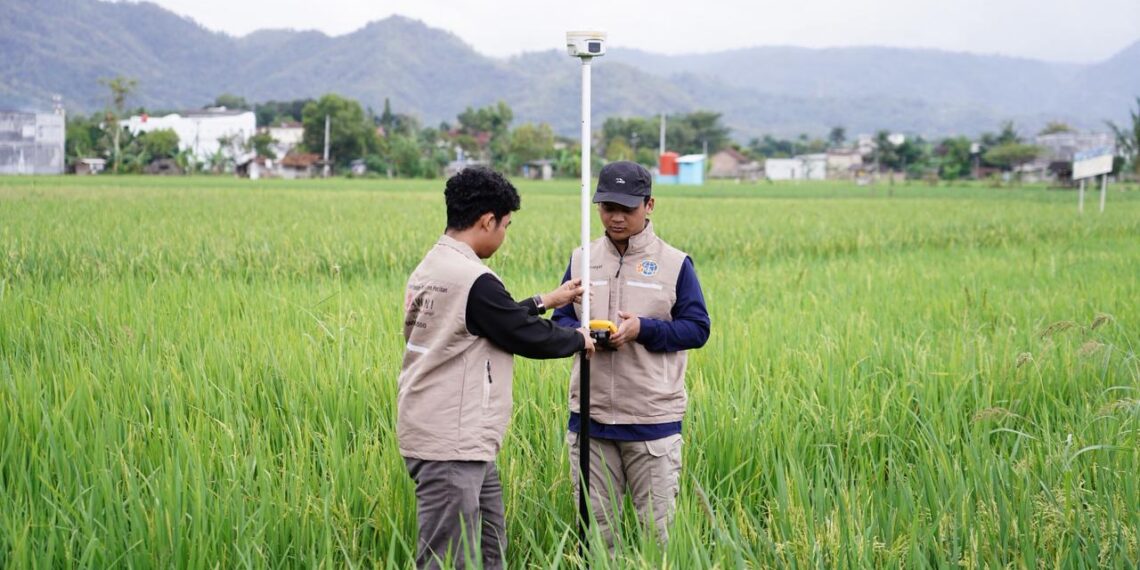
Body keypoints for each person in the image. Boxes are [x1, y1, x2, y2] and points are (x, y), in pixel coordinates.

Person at [397, 166, 596, 570]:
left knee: (488, 547)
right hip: (450, 440)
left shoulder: (435, 266)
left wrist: (544, 301)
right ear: (488, 220)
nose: (504, 234)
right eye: (505, 225)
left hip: (457, 437)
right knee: (448, 558)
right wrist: (580, 339)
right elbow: (523, 335)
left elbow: (486, 319)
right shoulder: (474, 278)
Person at [553, 160, 710, 546]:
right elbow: (558, 320)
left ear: (649, 205)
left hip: (651, 423)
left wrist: (643, 329)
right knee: (595, 538)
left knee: (656, 538)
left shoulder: (675, 264)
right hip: (591, 420)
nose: (616, 218)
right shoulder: (581, 259)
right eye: (608, 208)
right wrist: (580, 333)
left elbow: (697, 328)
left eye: (627, 208)